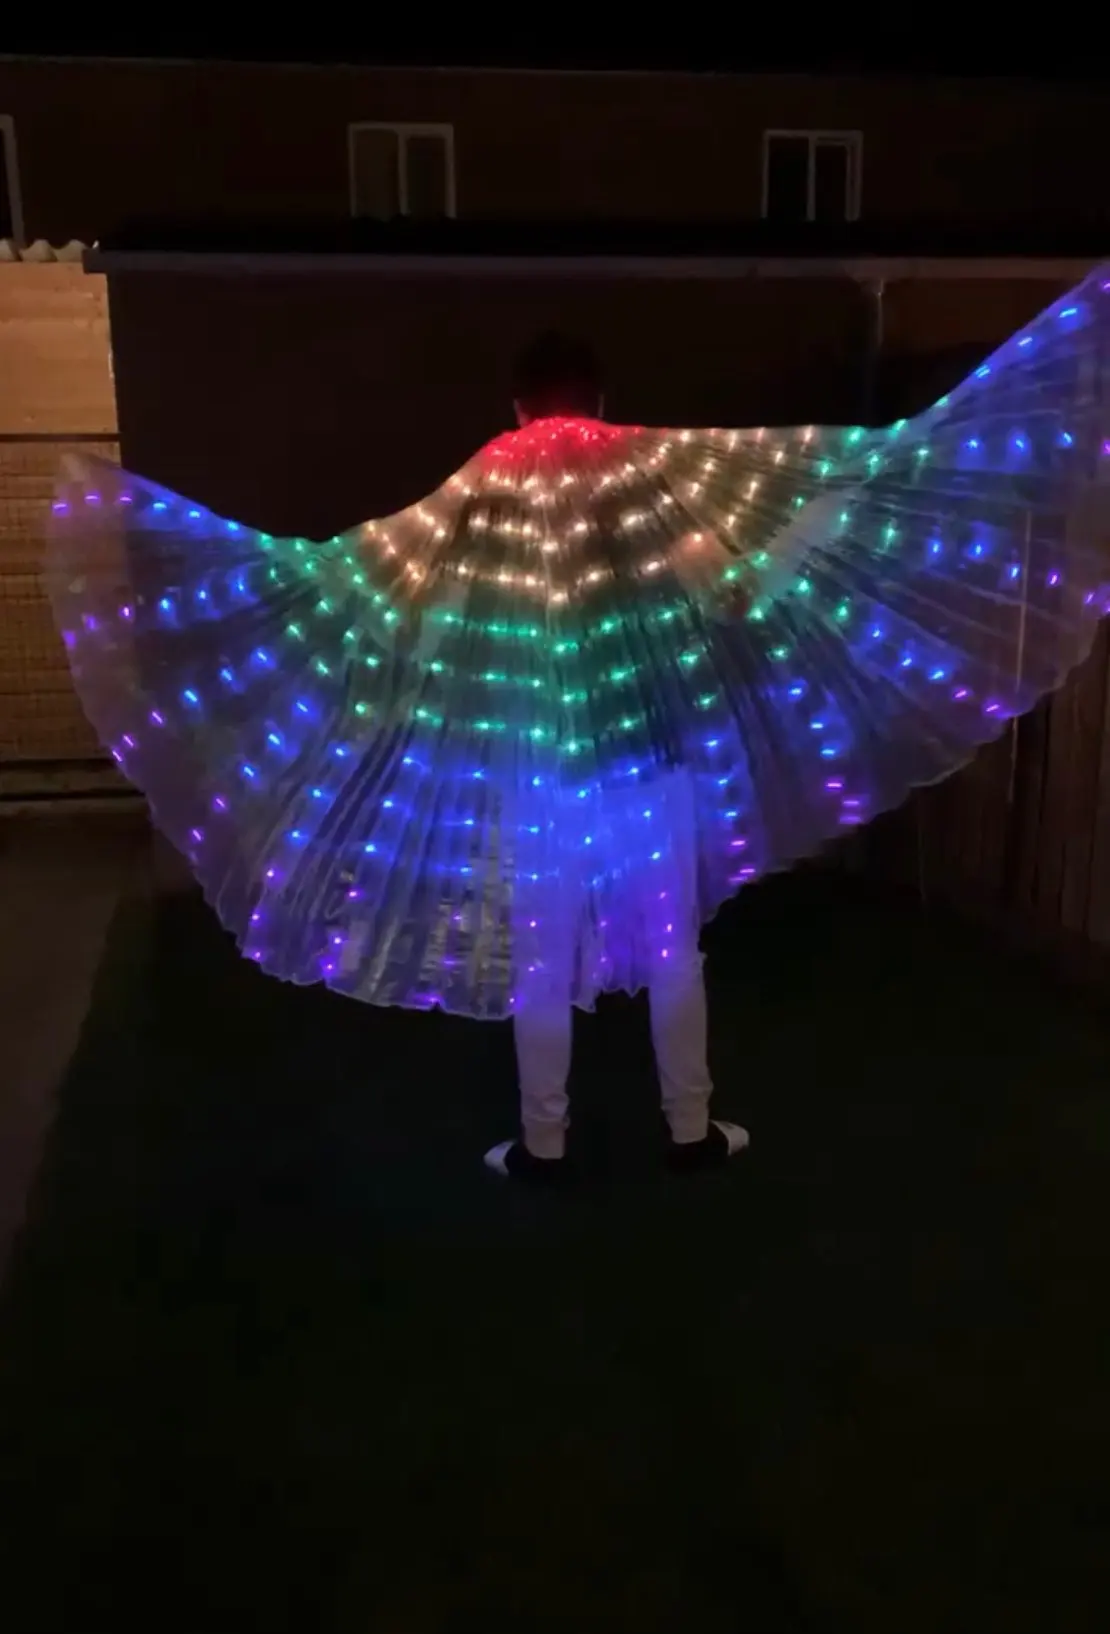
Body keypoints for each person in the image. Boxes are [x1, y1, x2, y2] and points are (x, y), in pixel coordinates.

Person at [483, 332, 750, 1185]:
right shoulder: (650, 506)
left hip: (541, 777)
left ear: (517, 412)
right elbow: (734, 597)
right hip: (646, 769)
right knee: (673, 953)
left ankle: (544, 1147)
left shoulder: (489, 516)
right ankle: (689, 1133)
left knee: (541, 967)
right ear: (602, 406)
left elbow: (429, 632)